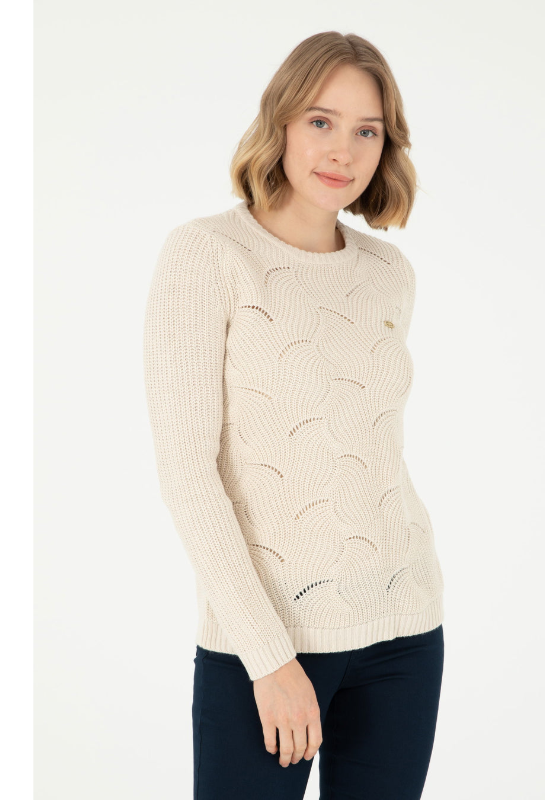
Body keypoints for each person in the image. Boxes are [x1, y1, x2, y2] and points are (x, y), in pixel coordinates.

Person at [144, 30, 445, 800]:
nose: (343, 150)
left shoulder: (388, 272)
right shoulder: (206, 255)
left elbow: (367, 446)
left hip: (404, 631)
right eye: (320, 121)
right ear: (278, 119)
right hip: (265, 646)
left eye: (367, 131)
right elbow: (187, 472)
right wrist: (269, 657)